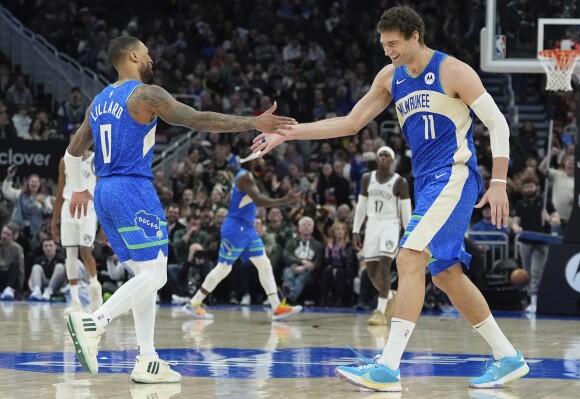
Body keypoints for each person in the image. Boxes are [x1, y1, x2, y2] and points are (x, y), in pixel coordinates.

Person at [252, 5, 528, 392]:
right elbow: (350, 123)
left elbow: (497, 122)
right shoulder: (390, 77)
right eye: (383, 45)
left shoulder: (453, 71)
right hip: (428, 183)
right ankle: (508, 357)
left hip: (455, 176)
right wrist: (288, 133)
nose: (388, 51)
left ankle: (388, 367)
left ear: (415, 35)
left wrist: (499, 181)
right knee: (446, 275)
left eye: (394, 43)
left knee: (409, 257)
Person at [64, 36, 295, 383]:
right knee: (155, 276)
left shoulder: (98, 101)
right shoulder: (145, 94)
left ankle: (147, 358)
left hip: (105, 190)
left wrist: (79, 187)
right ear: (132, 55)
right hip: (132, 188)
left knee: (145, 274)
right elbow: (197, 118)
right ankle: (94, 323)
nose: (151, 56)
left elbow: (73, 148)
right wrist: (252, 122)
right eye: (146, 52)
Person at [185, 149, 303, 321]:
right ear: (253, 160)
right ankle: (194, 303)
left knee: (264, 264)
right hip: (236, 229)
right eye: (260, 157)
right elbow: (260, 200)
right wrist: (286, 200)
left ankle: (276, 307)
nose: (263, 160)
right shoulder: (245, 177)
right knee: (223, 268)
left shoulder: (246, 175)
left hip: (247, 229)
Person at [352, 146, 411, 326]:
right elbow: (361, 206)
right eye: (381, 155)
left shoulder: (399, 182)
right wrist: (356, 230)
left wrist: (408, 233)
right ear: (377, 159)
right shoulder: (367, 178)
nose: (383, 158)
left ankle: (380, 311)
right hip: (372, 225)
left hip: (390, 224)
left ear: (392, 160)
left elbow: (406, 211)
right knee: (370, 271)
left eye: (387, 155)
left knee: (385, 266)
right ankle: (390, 296)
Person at [52, 146, 103, 315]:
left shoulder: (96, 159)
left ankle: (95, 286)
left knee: (86, 251)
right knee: (70, 255)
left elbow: (102, 189)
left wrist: (104, 222)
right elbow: (59, 191)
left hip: (89, 208)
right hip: (68, 209)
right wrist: (54, 221)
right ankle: (75, 301)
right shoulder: (63, 161)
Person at [511, 174, 560, 314]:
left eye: (531, 186)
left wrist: (549, 218)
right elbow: (515, 223)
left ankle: (535, 301)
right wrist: (517, 229)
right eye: (526, 186)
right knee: (526, 273)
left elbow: (557, 220)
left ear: (537, 187)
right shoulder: (521, 204)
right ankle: (528, 299)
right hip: (525, 242)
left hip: (541, 242)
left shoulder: (546, 202)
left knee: (536, 272)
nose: (529, 189)